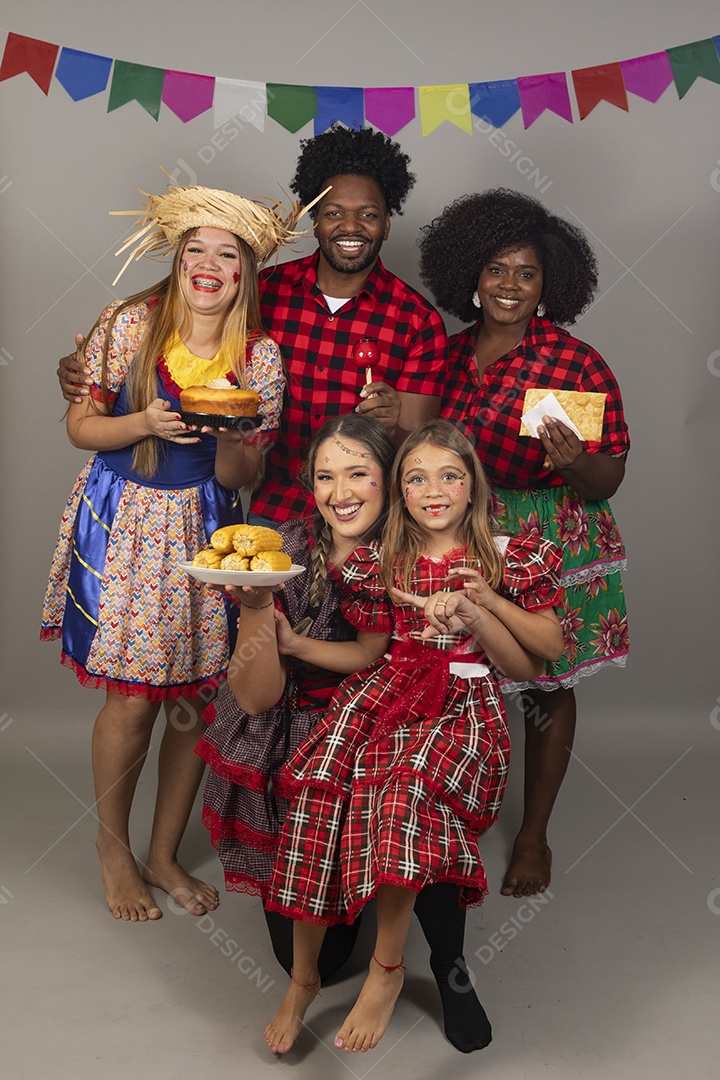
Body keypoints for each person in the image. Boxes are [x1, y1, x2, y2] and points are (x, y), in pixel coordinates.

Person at [41, 184, 310, 922]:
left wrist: (229, 439)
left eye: (228, 253)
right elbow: (80, 428)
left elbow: (243, 476)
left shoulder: (258, 358)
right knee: (131, 701)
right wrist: (142, 421)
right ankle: (111, 847)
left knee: (193, 701)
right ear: (178, 256)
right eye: (197, 247)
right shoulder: (129, 325)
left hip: (205, 528)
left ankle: (163, 852)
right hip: (124, 522)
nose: (209, 263)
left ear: (246, 273)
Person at [198, 415, 504, 1054]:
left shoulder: (418, 552)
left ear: (392, 483)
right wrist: (256, 607)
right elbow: (257, 696)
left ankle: (448, 969)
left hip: (399, 719)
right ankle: (320, 960)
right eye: (324, 476)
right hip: (305, 733)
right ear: (308, 487)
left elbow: (426, 652)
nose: (342, 492)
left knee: (418, 798)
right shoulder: (279, 550)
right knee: (314, 958)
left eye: (359, 473)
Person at [262, 420, 564, 1055]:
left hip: (462, 704)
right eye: (416, 478)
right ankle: (302, 979)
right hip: (388, 691)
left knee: (403, 793)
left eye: (450, 475)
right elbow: (372, 650)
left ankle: (388, 971)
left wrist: (481, 607)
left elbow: (534, 663)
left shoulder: (509, 552)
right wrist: (289, 643)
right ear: (399, 491)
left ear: (474, 485)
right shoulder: (384, 559)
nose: (434, 490)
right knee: (320, 791)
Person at [57, 125, 448, 523]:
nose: (350, 226)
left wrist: (392, 421)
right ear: (315, 221)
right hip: (273, 509)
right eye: (333, 213)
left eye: (368, 214)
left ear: (386, 225)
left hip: (365, 516)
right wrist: (90, 363)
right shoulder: (262, 290)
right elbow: (182, 321)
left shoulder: (418, 321)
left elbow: (420, 449)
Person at [421, 188, 630, 898]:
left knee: (547, 683)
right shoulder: (442, 359)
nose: (509, 285)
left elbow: (608, 480)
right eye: (496, 270)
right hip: (462, 528)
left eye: (526, 273)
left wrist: (575, 460)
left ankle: (533, 834)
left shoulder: (576, 366)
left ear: (550, 284)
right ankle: (447, 826)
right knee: (454, 679)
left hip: (549, 534)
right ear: (471, 277)